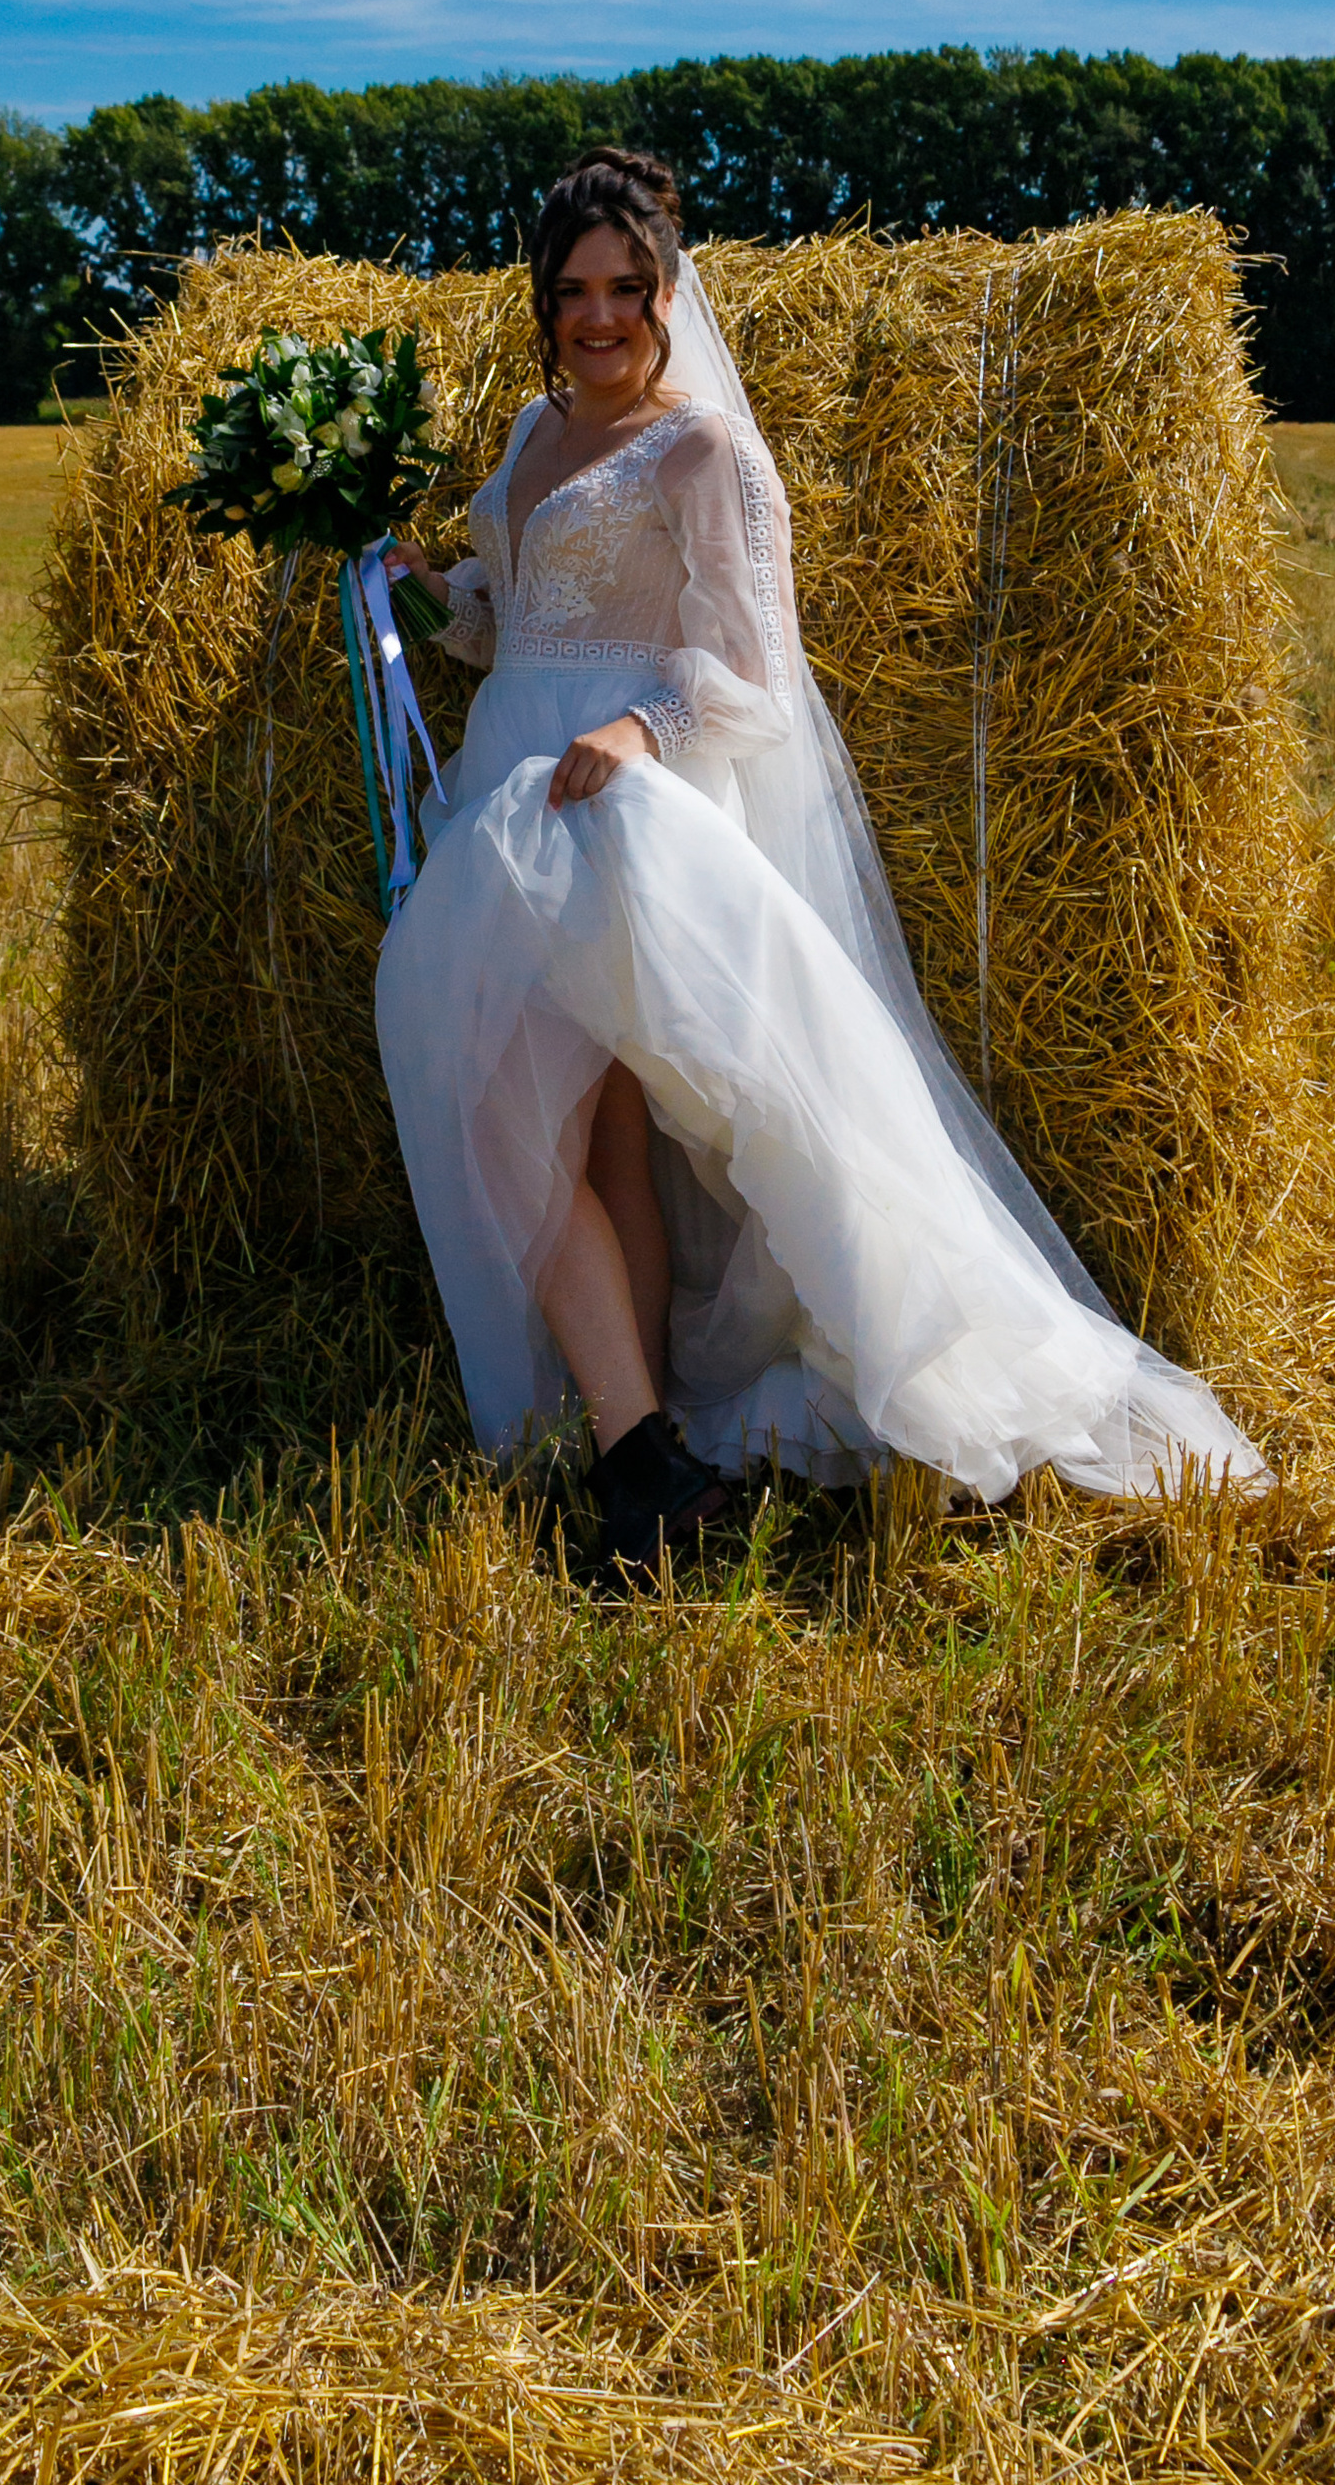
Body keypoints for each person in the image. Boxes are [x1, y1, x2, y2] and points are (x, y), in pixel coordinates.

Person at [376, 145, 1267, 1590]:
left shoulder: (705, 451)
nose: (598, 316)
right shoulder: (536, 436)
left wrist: (640, 725)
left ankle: (638, 1461)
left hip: (616, 803)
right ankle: (645, 1439)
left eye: (626, 288)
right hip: (508, 796)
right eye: (572, 292)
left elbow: (753, 671)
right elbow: (515, 613)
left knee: (532, 1121)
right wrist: (436, 598)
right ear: (543, 305)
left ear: (669, 291)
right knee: (574, 1136)